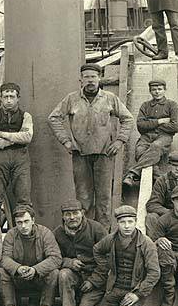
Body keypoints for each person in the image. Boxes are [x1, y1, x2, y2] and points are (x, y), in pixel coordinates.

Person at [48, 63, 134, 227]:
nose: (90, 81)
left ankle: (103, 236)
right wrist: (66, 141)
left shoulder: (109, 98)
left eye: (93, 77)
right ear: (80, 80)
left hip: (104, 155)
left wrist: (119, 140)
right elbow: (54, 118)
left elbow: (128, 118)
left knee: (103, 200)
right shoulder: (72, 99)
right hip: (80, 155)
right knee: (84, 199)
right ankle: (86, 235)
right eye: (86, 77)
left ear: (99, 78)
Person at [52, 200, 108, 306]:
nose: (72, 217)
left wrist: (93, 281)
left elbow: (108, 260)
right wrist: (69, 262)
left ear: (82, 213)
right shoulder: (58, 233)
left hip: (96, 280)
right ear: (63, 216)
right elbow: (53, 257)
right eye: (67, 214)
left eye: (75, 213)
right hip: (75, 276)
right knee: (63, 274)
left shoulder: (96, 229)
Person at [0, 204, 62, 306]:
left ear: (33, 220)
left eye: (26, 221)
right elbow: (4, 258)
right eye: (19, 223)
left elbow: (55, 258)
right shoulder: (11, 235)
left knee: (54, 273)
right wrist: (18, 268)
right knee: (0, 272)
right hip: (19, 279)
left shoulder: (45, 233)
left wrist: (36, 270)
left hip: (39, 279)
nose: (23, 226)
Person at [0, 82, 33, 225]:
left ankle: (24, 232)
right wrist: (15, 139)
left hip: (21, 158)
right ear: (0, 98)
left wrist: (3, 134)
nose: (9, 100)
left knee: (23, 197)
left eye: (12, 96)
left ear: (18, 98)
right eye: (5, 96)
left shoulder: (26, 116)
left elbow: (28, 137)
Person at [123, 79, 178, 186]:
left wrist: (151, 125)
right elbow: (140, 125)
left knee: (156, 146)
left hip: (164, 137)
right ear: (150, 91)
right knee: (140, 151)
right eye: (154, 90)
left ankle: (132, 173)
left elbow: (175, 126)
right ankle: (158, 177)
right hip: (146, 137)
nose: (157, 92)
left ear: (164, 90)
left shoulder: (172, 105)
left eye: (160, 89)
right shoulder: (145, 105)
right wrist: (160, 121)